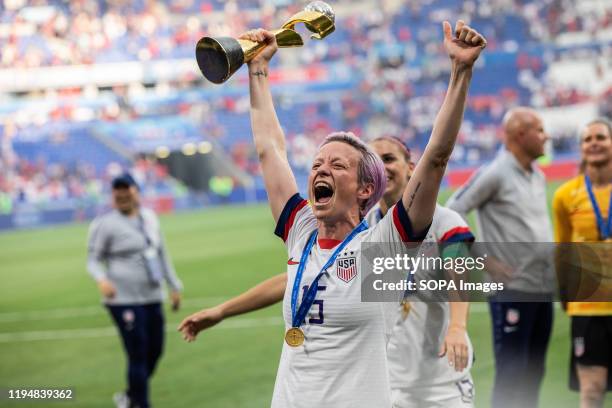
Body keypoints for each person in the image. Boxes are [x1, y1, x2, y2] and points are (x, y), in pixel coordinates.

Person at [181, 20, 486, 407]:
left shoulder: (386, 244)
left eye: (338, 165)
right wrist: (258, 69)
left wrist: (461, 71)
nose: (322, 169)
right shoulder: (302, 233)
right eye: (317, 164)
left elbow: (436, 157)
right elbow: (270, 152)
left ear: (365, 189)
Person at [180, 136, 476, 407]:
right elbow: (301, 281)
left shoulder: (442, 220)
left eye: (389, 159)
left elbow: (460, 267)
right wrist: (222, 310)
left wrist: (457, 326)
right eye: (376, 160)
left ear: (411, 167)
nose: (383, 167)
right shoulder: (366, 227)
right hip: (390, 378)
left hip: (439, 378)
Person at [447, 107, 554, 408]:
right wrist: (483, 259)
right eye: (540, 130)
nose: (546, 136)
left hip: (540, 288)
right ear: (520, 135)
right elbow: (454, 209)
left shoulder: (538, 175)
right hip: (511, 291)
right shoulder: (495, 172)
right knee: (512, 375)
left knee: (533, 374)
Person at [87, 173, 183, 408]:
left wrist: (174, 285)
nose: (121, 195)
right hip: (122, 299)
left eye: (126, 190)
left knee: (155, 351)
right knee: (137, 353)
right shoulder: (105, 224)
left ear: (136, 192)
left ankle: (130, 397)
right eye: (116, 191)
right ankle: (141, 403)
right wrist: (102, 280)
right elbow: (93, 259)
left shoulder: (150, 218)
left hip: (152, 295)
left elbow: (161, 253)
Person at [552, 118, 612, 408]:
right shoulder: (565, 196)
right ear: (581, 148)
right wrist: (565, 292)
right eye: (587, 140)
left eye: (600, 137)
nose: (594, 143)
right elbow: (562, 249)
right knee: (591, 391)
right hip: (588, 307)